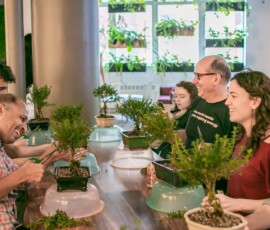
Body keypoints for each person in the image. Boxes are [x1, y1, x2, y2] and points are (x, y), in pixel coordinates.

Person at [202, 70, 270, 228]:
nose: (227, 102)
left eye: (233, 96)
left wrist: (237, 205)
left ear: (255, 101)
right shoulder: (245, 136)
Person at [185, 55, 235, 149]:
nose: (193, 81)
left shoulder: (232, 111)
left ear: (216, 78)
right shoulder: (199, 100)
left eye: (198, 76)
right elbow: (190, 136)